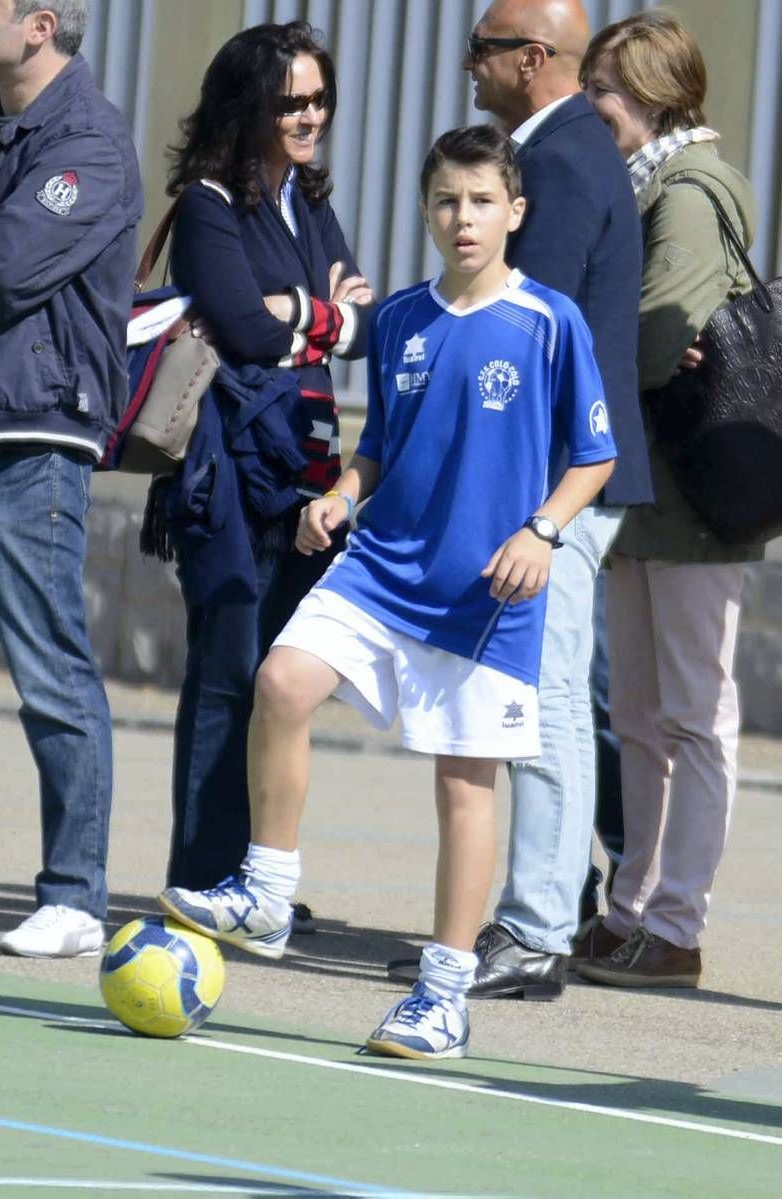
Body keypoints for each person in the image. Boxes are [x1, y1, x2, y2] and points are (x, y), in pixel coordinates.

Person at [158, 124, 617, 1060]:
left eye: (483, 201)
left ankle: (443, 996)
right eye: (448, 200)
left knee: (463, 785)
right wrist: (340, 494)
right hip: (381, 568)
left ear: (514, 212)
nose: (464, 218)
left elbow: (595, 455)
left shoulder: (549, 321)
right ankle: (268, 889)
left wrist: (542, 531)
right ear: (425, 209)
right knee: (281, 681)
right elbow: (379, 449)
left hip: (486, 589)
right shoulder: (403, 319)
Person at [385, 0, 650, 1001]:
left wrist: (531, 510)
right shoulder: (564, 151)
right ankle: (531, 914)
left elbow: (525, 335)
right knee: (533, 695)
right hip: (548, 485)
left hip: (559, 487)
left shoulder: (565, 162)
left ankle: (536, 928)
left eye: (483, 48)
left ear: (531, 58)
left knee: (537, 702)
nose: (467, 63)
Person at [161, 22, 372, 899]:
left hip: (309, 473)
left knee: (284, 677)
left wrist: (300, 313)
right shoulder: (209, 203)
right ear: (247, 105)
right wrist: (313, 315)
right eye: (291, 101)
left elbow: (364, 322)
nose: (309, 114)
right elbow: (241, 331)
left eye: (318, 98)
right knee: (228, 670)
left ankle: (258, 871)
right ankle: (206, 870)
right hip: (230, 471)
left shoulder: (308, 201)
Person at [574, 11, 762, 987]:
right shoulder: (650, 184)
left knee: (688, 712)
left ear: (648, 93)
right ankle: (629, 908)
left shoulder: (685, 193)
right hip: (650, 491)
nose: (587, 104)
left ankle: (674, 922)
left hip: (692, 496)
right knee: (640, 713)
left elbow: (657, 337)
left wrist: (601, 343)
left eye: (600, 89)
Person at [0, 0, 142, 956]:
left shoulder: (88, 140)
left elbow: (2, 267)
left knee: (49, 663)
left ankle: (76, 894)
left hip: (32, 428)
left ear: (40, 25)